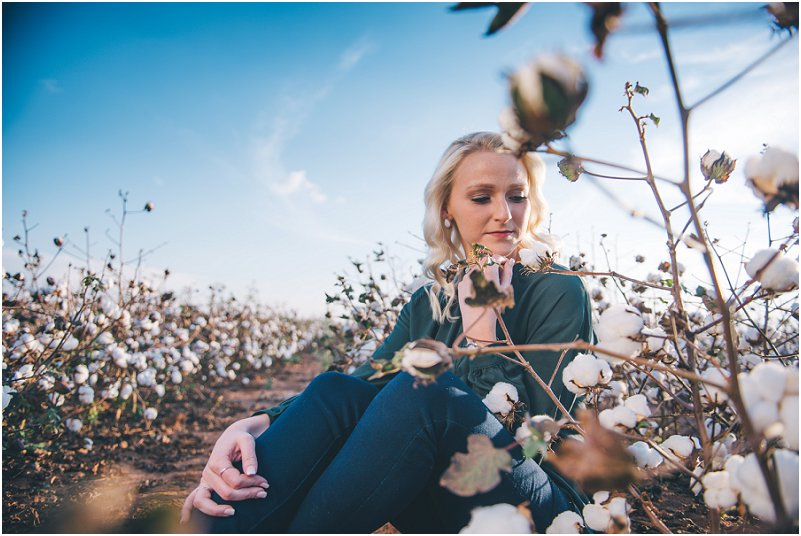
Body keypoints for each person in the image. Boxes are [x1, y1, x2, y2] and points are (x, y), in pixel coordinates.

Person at [180, 131, 593, 533]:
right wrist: (255, 424)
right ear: (447, 209)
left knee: (427, 391)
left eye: (517, 196)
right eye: (482, 197)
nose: (504, 212)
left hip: (541, 510)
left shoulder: (557, 289)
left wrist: (484, 336)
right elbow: (361, 386)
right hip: (440, 498)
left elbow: (538, 444)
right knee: (334, 391)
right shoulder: (430, 302)